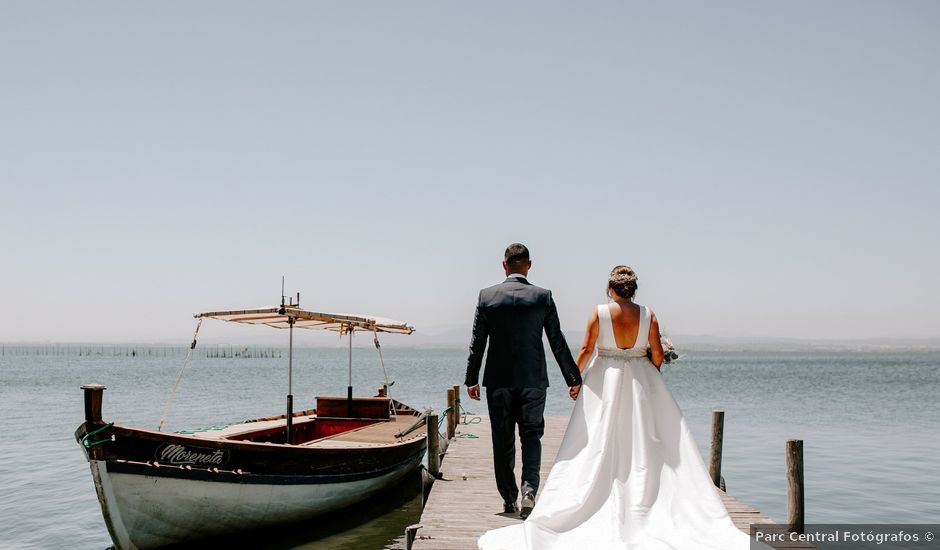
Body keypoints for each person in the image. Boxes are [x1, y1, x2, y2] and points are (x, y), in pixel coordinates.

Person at [478, 265, 760, 549]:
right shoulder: (648, 314)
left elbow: (588, 349)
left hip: (604, 379)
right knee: (647, 443)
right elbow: (658, 353)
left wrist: (575, 381)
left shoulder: (600, 312)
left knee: (598, 441)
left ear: (610, 289)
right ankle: (646, 497)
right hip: (642, 379)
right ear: (632, 289)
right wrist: (650, 373)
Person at [465, 243, 583, 519]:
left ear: (504, 265)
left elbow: (476, 343)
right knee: (532, 437)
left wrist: (471, 379)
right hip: (533, 381)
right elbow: (557, 341)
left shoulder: (487, 297)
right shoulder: (543, 297)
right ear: (529, 265)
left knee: (502, 440)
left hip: (498, 381)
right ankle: (529, 492)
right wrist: (573, 378)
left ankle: (508, 500)